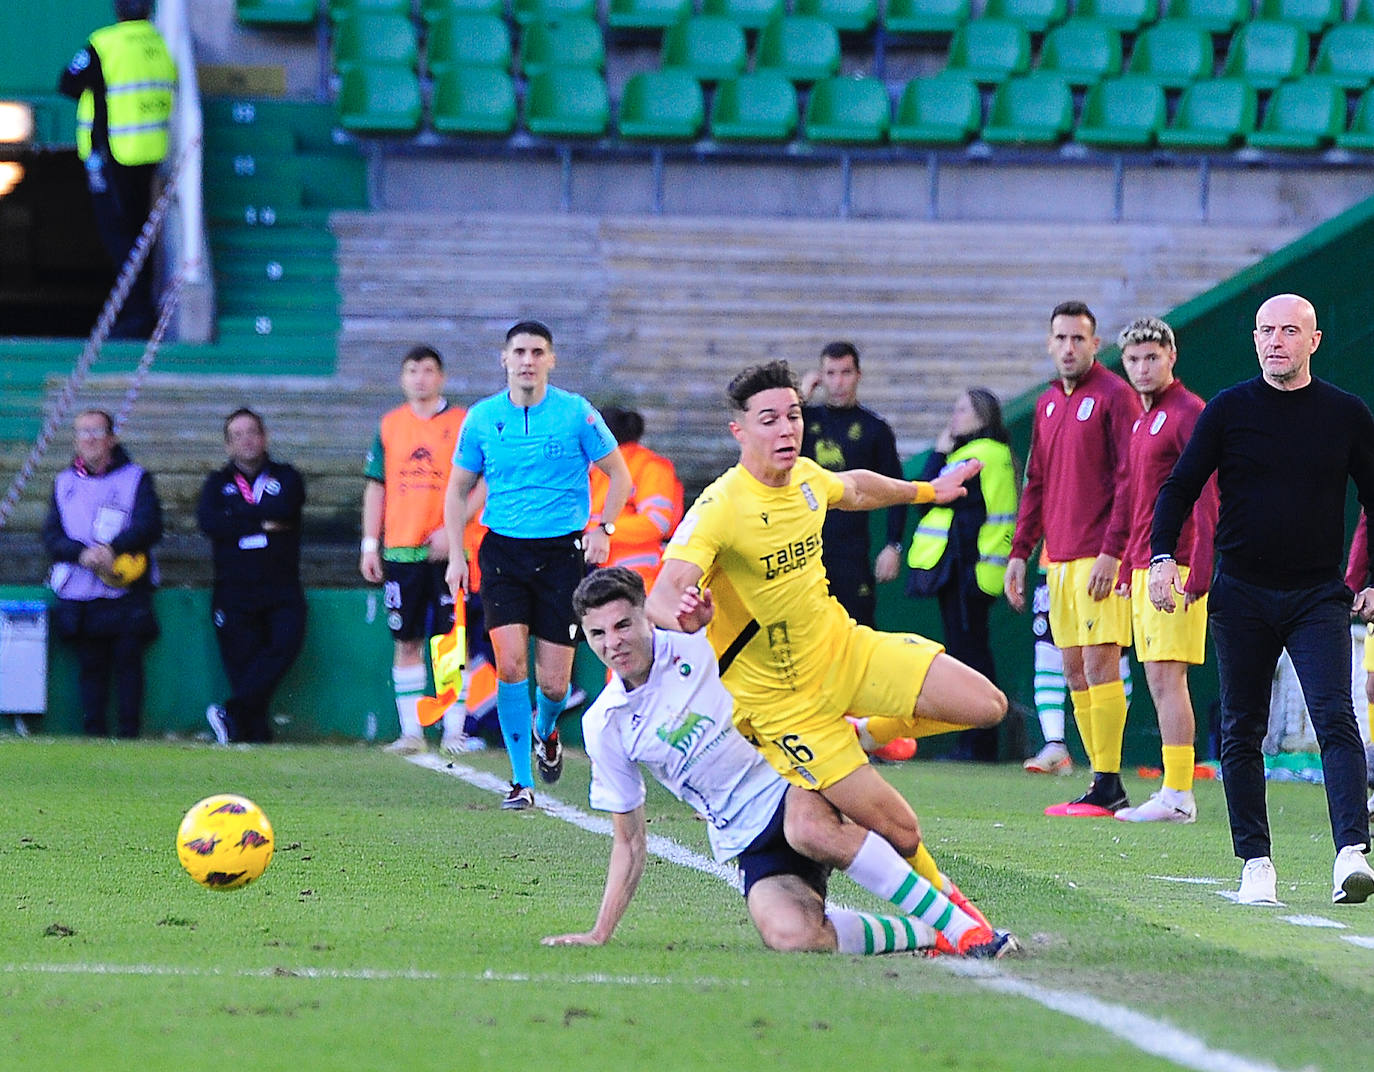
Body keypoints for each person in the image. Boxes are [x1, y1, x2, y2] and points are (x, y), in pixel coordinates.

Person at [645, 360, 1007, 933]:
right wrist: (686, 619)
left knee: (987, 706)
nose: (787, 429)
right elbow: (662, 596)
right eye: (769, 420)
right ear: (739, 431)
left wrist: (927, 490)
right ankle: (961, 925)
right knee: (901, 828)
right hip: (783, 707)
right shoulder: (720, 508)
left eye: (792, 415)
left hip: (845, 652)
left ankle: (867, 731)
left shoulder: (809, 477)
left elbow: (857, 488)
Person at [544, 567, 1017, 957]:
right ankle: (929, 933)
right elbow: (629, 840)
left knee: (810, 828)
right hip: (742, 832)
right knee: (792, 936)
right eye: (598, 633)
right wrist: (599, 931)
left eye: (623, 625)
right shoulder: (604, 723)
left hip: (792, 773)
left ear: (647, 616)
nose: (613, 643)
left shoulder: (702, 644)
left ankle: (965, 929)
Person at [1151, 293, 1374, 905]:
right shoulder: (1227, 410)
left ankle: (1351, 853)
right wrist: (1162, 558)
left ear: (1314, 340)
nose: (1275, 340)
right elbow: (1179, 486)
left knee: (1336, 717)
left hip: (1317, 596)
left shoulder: (1346, 414)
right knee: (1241, 729)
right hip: (1242, 594)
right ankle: (1256, 864)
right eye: (1265, 331)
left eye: (1288, 331)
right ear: (1254, 340)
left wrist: (1371, 576)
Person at [444, 321, 632, 811]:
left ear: (552, 359)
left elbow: (619, 476)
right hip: (503, 552)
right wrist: (458, 555)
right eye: (519, 351)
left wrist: (603, 529)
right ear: (503, 359)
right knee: (509, 664)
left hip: (562, 556)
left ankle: (545, 729)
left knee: (553, 682)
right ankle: (520, 780)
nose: (528, 360)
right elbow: (458, 488)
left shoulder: (575, 413)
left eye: (537, 351)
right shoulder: (483, 418)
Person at [1004, 301, 1140, 817]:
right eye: (1060, 338)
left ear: (1094, 343)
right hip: (1055, 561)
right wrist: (1021, 552)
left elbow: (1132, 479)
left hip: (1098, 555)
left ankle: (1110, 779)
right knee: (1072, 668)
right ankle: (1098, 779)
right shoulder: (1045, 405)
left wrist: (1114, 551)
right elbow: (1035, 481)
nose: (1068, 348)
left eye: (1078, 339)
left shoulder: (1115, 396)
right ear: (1049, 343)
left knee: (1100, 662)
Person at [1110, 318, 1217, 824]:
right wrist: (1125, 558)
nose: (1142, 368)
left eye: (1151, 357)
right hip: (1143, 564)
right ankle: (1175, 790)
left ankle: (1178, 792)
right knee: (1157, 677)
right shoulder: (1141, 418)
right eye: (1133, 360)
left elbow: (1206, 492)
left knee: (1167, 677)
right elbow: (1134, 497)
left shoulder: (1188, 412)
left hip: (1174, 564)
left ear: (1171, 356)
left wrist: (1195, 566)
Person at [361, 345, 477, 757]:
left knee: (449, 640)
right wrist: (370, 544)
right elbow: (377, 485)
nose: (421, 378)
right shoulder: (390, 424)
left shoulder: (464, 422)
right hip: (400, 550)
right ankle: (411, 732)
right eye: (412, 370)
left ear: (441, 377)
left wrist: (454, 527)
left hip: (448, 552)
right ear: (402, 378)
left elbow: (486, 480)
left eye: (428, 370)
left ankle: (453, 731)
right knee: (405, 639)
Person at [906, 388, 1017, 763]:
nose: (955, 416)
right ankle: (978, 743)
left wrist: (939, 451)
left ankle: (975, 743)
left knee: (968, 660)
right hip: (977, 568)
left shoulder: (974, 456)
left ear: (983, 417)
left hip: (964, 567)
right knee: (973, 655)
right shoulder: (995, 454)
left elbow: (926, 494)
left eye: (963, 409)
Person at [57, 0, 175, 340]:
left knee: (119, 236)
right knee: (140, 234)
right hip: (148, 153)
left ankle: (138, 315)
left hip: (112, 155)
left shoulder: (105, 44)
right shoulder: (158, 43)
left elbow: (67, 82)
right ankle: (142, 310)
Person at [41, 409, 162, 737]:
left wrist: (114, 548)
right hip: (80, 593)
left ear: (111, 437)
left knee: (128, 665)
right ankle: (92, 736)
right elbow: (51, 535)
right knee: (90, 669)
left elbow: (149, 525)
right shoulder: (63, 482)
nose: (90, 439)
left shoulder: (136, 477)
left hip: (125, 591)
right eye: (83, 432)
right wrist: (81, 554)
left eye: (96, 431)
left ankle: (129, 735)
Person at [196, 408, 307, 745]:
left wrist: (239, 518)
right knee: (243, 664)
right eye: (238, 434)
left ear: (265, 437)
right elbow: (211, 523)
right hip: (234, 590)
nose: (247, 439)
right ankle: (254, 734)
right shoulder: (217, 484)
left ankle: (231, 713)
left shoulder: (286, 477)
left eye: (252, 432)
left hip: (281, 586)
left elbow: (287, 508)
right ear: (228, 445)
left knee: (284, 646)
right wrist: (260, 521)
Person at [799, 342, 906, 629]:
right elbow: (766, 447)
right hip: (805, 549)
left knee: (857, 632)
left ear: (858, 375)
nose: (838, 382)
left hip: (852, 553)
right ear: (820, 377)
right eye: (830, 373)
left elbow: (896, 489)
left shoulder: (874, 429)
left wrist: (893, 545)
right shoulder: (802, 422)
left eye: (845, 372)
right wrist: (799, 400)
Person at [587, 405, 683, 586]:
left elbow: (656, 523)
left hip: (641, 580)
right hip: (602, 573)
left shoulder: (650, 467)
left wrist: (596, 530)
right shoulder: (595, 468)